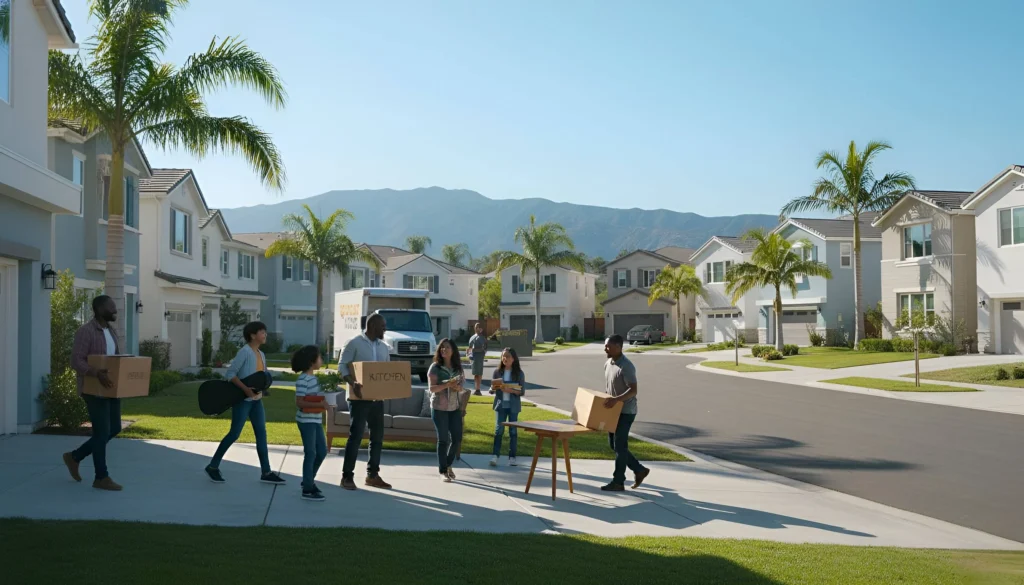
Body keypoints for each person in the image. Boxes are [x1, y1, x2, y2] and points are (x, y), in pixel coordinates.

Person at [204, 322, 285, 485]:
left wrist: (263, 389)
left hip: (257, 401)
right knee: (234, 434)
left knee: (261, 434)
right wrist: (246, 390)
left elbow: (261, 376)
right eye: (262, 332)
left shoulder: (261, 354)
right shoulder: (245, 352)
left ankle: (266, 472)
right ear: (253, 335)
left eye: (265, 332)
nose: (265, 335)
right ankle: (212, 466)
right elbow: (231, 374)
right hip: (243, 401)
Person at [62, 295, 124, 491]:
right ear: (99, 309)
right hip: (93, 389)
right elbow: (76, 361)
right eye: (111, 307)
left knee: (114, 429)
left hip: (111, 388)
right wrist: (95, 372)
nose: (115, 310)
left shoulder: (111, 331)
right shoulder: (86, 332)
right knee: (101, 432)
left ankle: (75, 457)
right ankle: (101, 477)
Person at [337, 313, 392, 491]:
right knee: (356, 436)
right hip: (358, 399)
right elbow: (342, 366)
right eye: (382, 326)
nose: (385, 329)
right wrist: (353, 383)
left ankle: (373, 475)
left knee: (377, 438)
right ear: (373, 325)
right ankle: (346, 477)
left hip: (377, 399)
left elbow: (386, 372)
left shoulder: (384, 347)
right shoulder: (354, 343)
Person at [600, 334, 651, 492]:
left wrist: (617, 399)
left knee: (620, 446)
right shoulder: (608, 363)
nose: (605, 348)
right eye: (605, 345)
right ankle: (639, 470)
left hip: (626, 411)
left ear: (618, 347)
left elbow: (633, 390)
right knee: (613, 445)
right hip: (612, 410)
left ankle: (618, 481)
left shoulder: (626, 366)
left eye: (608, 346)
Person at [292, 345, 328, 501]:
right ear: (311, 361)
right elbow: (299, 402)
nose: (321, 359)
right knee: (311, 453)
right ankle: (307, 488)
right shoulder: (303, 379)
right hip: (306, 421)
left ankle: (308, 480)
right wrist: (321, 405)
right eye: (319, 357)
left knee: (321, 452)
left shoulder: (314, 379)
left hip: (316, 419)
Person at [428, 338, 465, 482]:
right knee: (443, 439)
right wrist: (447, 385)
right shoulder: (435, 367)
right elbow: (431, 388)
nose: (444, 350)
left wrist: (457, 387)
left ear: (453, 350)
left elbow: (462, 387)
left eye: (447, 347)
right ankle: (443, 471)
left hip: (454, 407)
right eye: (442, 347)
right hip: (439, 407)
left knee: (457, 438)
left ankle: (448, 465)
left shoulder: (458, 368)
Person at [489, 347, 525, 467]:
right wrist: (492, 389)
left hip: (513, 406)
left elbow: (522, 391)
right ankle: (495, 455)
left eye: (508, 356)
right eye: (503, 356)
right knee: (499, 430)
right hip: (501, 405)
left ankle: (512, 457)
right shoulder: (497, 372)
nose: (505, 358)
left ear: (513, 359)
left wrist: (509, 390)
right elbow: (492, 388)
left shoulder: (519, 373)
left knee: (513, 431)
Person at [467, 323, 488, 396]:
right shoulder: (472, 338)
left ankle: (478, 389)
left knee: (479, 373)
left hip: (479, 358)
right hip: (473, 358)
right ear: (474, 328)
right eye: (476, 327)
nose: (478, 329)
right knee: (475, 374)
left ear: (481, 329)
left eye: (479, 327)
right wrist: (469, 356)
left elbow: (484, 349)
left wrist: (476, 350)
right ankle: (476, 389)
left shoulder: (483, 338)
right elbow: (469, 348)